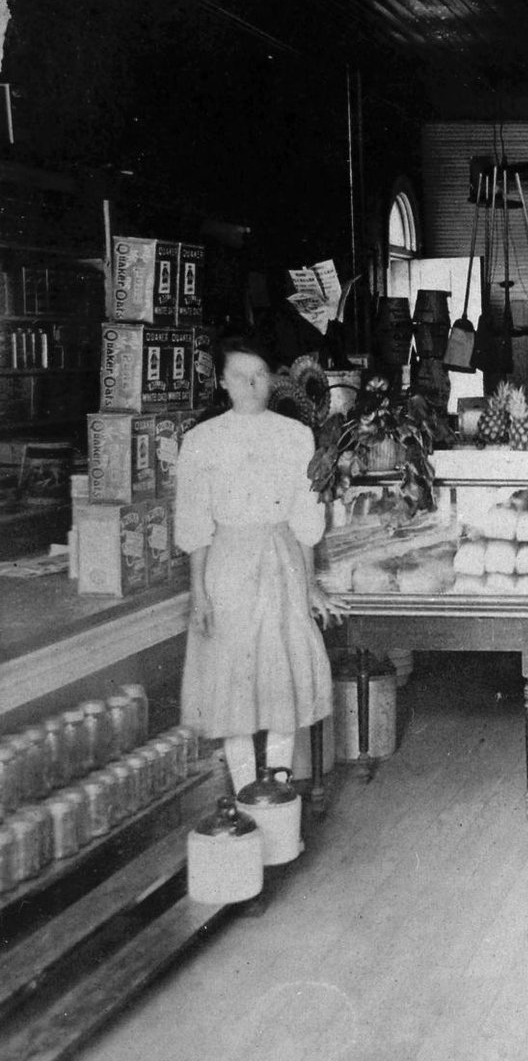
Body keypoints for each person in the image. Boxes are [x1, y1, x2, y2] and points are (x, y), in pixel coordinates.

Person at [175, 336, 344, 795]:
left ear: (273, 379)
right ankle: (249, 795)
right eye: (239, 376)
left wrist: (310, 586)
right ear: (222, 382)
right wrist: (199, 596)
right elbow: (194, 525)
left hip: (281, 566)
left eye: (259, 375)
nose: (250, 385)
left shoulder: (295, 436)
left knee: (281, 684)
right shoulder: (201, 442)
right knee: (234, 688)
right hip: (227, 571)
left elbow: (305, 521)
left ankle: (280, 792)